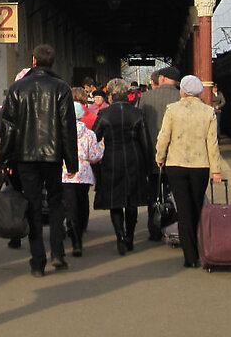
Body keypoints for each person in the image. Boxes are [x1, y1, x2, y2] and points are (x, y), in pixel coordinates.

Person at [0, 44, 78, 276]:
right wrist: (72, 163)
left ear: (33, 61)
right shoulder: (61, 88)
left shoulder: (18, 88)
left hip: (25, 157)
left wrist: (5, 159)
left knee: (31, 205)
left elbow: (8, 127)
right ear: (51, 63)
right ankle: (59, 253)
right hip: (52, 157)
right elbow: (67, 127)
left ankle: (37, 262)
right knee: (55, 203)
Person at [155, 74, 222, 268]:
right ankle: (201, 249)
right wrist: (216, 170)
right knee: (196, 208)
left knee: (183, 210)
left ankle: (190, 257)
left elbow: (164, 136)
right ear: (200, 91)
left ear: (182, 90)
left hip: (176, 165)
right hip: (200, 166)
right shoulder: (208, 112)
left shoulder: (172, 110)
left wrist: (159, 158)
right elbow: (212, 143)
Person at [93, 77, 154, 256]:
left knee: (115, 200)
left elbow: (94, 138)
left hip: (112, 159)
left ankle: (119, 235)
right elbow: (146, 142)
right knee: (132, 200)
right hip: (134, 158)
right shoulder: (137, 114)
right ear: (127, 94)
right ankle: (129, 236)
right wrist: (149, 166)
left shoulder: (104, 115)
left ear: (110, 96)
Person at [137, 65, 181, 240]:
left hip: (152, 154)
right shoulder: (182, 97)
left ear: (161, 78)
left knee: (154, 194)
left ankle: (154, 230)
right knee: (176, 194)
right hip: (177, 156)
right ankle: (174, 227)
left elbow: (140, 126)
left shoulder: (146, 97)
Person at [62, 95, 104, 258]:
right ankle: (81, 228)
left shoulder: (61, 133)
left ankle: (75, 239)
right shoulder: (89, 134)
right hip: (84, 174)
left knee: (69, 206)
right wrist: (101, 147)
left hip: (66, 174)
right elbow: (95, 156)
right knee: (81, 202)